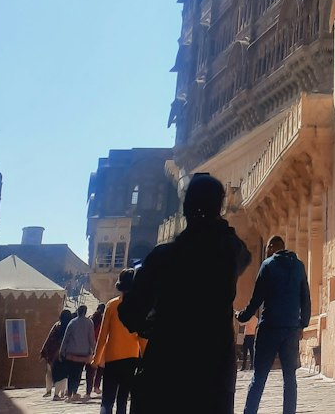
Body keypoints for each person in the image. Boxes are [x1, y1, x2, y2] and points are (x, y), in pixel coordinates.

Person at [118, 172, 251, 414]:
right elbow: (239, 249)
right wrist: (218, 225)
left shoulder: (163, 257)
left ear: (186, 207)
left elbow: (129, 314)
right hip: (214, 373)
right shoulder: (229, 254)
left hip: (167, 369)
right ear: (218, 207)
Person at [236, 235, 310, 414]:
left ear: (271, 247)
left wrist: (242, 316)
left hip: (269, 327)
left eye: (267, 248)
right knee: (290, 378)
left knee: (259, 376)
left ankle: (250, 411)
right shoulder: (299, 266)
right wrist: (302, 324)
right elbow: (305, 299)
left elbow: (257, 298)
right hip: (291, 329)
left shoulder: (268, 265)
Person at [92, 270, 140, 414]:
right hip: (132, 357)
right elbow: (142, 336)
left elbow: (103, 335)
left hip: (113, 357)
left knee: (107, 399)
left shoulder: (112, 305)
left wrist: (96, 359)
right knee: (122, 400)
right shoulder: (139, 307)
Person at [59, 305, 96, 401]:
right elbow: (91, 338)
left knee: (71, 374)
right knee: (78, 373)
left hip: (71, 353)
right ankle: (74, 392)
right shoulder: (89, 323)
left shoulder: (72, 322)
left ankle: (70, 393)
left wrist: (62, 351)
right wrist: (95, 350)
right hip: (83, 353)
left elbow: (66, 338)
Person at [41, 308, 73, 399]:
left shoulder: (56, 325)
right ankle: (58, 393)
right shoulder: (69, 327)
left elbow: (49, 338)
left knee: (50, 372)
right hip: (63, 354)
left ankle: (49, 391)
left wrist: (45, 351)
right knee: (62, 375)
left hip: (51, 354)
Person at [84, 303, 104, 399]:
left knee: (90, 370)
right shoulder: (103, 320)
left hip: (90, 347)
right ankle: (96, 386)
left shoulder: (91, 319)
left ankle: (88, 391)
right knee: (100, 368)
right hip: (100, 346)